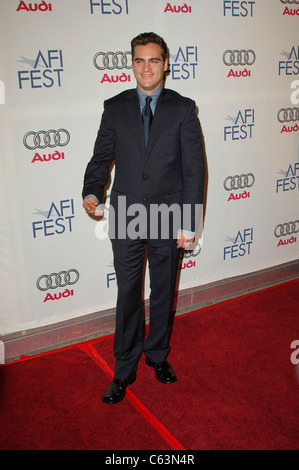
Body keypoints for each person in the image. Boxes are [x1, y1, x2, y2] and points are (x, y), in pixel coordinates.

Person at [82, 32, 205, 404]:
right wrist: (91, 191)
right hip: (127, 212)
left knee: (164, 289)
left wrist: (188, 222)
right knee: (128, 293)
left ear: (165, 64)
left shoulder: (183, 109)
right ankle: (123, 368)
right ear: (131, 64)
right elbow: (101, 158)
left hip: (169, 214)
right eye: (139, 60)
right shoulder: (114, 107)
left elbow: (194, 172)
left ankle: (157, 356)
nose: (146, 68)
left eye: (153, 60)